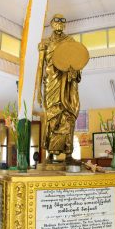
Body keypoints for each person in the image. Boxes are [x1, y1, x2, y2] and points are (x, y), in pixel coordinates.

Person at [36, 14, 81, 163]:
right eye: (57, 21)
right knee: (52, 118)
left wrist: (74, 72)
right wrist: (38, 91)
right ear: (51, 24)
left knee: (67, 117)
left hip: (66, 83)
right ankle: (50, 153)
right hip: (51, 84)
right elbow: (40, 68)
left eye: (63, 21)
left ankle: (68, 152)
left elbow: (76, 62)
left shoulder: (70, 42)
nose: (60, 24)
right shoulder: (45, 43)